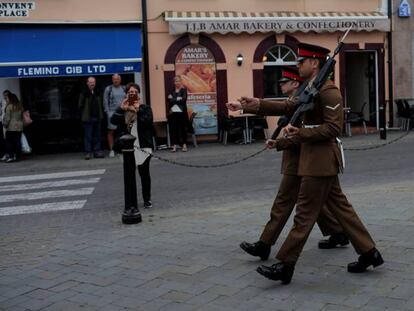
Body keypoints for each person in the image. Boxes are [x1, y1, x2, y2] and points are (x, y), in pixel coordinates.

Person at [235, 43, 383, 284]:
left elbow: (334, 128)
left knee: (304, 216)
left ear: (315, 63)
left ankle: (285, 264)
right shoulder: (311, 89)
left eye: (301, 62)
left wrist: (298, 134)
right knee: (343, 211)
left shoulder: (328, 91)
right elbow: (287, 106)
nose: (298, 65)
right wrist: (252, 104)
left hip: (320, 162)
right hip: (315, 161)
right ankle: (369, 252)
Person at [226, 66, 348, 262]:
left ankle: (270, 247)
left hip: (308, 153)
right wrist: (244, 107)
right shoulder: (302, 95)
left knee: (304, 202)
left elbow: (322, 125)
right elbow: (281, 106)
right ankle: (340, 234)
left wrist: (285, 140)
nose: (281, 85)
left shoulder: (313, 93)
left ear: (294, 83)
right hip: (298, 153)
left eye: (285, 82)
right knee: (315, 200)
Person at [110, 82, 154, 209]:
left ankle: (147, 199)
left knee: (144, 174)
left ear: (138, 94)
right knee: (129, 175)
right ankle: (131, 200)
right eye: (130, 93)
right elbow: (113, 121)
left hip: (143, 146)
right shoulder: (123, 108)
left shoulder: (145, 108)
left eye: (135, 92)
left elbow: (148, 122)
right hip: (127, 148)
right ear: (126, 94)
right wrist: (121, 109)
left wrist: (138, 109)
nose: (132, 94)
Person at [78, 76, 104, 160]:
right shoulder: (84, 93)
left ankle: (97, 151)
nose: (92, 84)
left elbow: (101, 104)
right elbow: (80, 105)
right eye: (90, 82)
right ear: (87, 83)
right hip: (88, 118)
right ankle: (88, 152)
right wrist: (84, 115)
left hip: (97, 117)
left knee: (97, 135)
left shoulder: (98, 92)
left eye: (93, 82)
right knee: (88, 136)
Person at [104, 74, 126, 158]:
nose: (116, 81)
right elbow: (105, 102)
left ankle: (121, 149)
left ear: (120, 80)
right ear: (112, 80)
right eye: (114, 79)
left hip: (122, 113)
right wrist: (108, 113)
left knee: (122, 132)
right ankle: (112, 150)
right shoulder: (108, 89)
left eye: (117, 79)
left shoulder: (124, 88)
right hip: (112, 114)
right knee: (111, 132)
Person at [167, 75, 189, 152]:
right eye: (176, 81)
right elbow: (169, 100)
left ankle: (184, 145)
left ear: (181, 82)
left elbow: (183, 100)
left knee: (183, 129)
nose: (177, 82)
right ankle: (174, 146)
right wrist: (177, 99)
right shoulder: (171, 91)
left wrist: (173, 99)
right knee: (174, 129)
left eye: (179, 81)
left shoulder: (184, 90)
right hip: (173, 113)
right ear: (174, 82)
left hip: (182, 113)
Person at [2, 93, 23, 163]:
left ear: (10, 98)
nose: (6, 99)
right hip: (19, 126)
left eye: (7, 98)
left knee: (9, 142)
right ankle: (18, 156)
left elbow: (7, 118)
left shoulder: (9, 106)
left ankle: (11, 156)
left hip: (11, 127)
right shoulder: (19, 106)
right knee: (18, 142)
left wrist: (4, 124)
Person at [0, 90, 11, 159]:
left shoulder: (11, 103)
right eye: (4, 95)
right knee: (3, 139)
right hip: (2, 122)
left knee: (7, 139)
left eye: (6, 95)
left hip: (8, 123)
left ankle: (8, 153)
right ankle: (4, 153)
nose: (5, 96)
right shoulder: (2, 102)